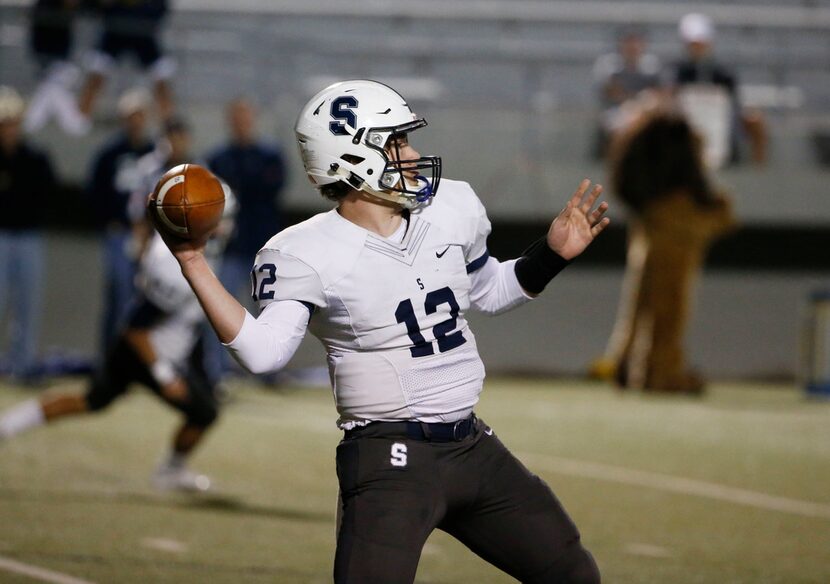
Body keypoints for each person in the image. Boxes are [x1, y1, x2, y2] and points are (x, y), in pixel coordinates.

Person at [152, 79, 608, 583]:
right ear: (352, 158)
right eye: (396, 143)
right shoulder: (303, 251)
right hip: (389, 459)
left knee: (573, 575)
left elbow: (488, 290)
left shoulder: (451, 210)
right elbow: (263, 354)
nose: (413, 154)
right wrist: (192, 260)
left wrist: (551, 255)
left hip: (472, 447)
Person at [0, 192, 236, 491]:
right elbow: (135, 329)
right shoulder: (174, 267)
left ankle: (7, 425)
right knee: (204, 412)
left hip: (164, 349)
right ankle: (169, 472)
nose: (226, 226)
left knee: (91, 401)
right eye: (219, 218)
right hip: (144, 353)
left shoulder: (189, 252)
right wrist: (164, 374)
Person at [606, 103, 736, 395]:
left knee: (639, 300)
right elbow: (722, 214)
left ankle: (626, 364)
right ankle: (661, 372)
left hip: (649, 218)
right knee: (670, 306)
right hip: (675, 225)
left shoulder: (642, 144)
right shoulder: (679, 154)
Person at [204, 97, 287, 380]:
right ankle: (216, 371)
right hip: (230, 248)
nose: (241, 122)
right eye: (236, 116)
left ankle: (270, 373)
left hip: (263, 248)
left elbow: (271, 189)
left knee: (270, 313)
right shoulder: (219, 157)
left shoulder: (269, 155)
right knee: (220, 310)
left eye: (245, 116)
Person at [87, 88, 154, 351]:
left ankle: (141, 359)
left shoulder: (154, 152)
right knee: (119, 295)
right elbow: (95, 192)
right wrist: (110, 220)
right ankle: (111, 356)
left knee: (149, 296)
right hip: (120, 232)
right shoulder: (110, 153)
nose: (136, 121)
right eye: (131, 115)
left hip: (150, 236)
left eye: (140, 115)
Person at [0, 86, 57, 384]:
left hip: (28, 237)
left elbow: (48, 194)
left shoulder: (34, 158)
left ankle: (22, 365)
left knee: (27, 303)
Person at [673, 13, 767, 166]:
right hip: (686, 127)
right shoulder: (677, 72)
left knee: (755, 119)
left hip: (720, 128)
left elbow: (734, 104)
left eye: (701, 43)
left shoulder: (723, 73)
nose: (697, 48)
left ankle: (757, 171)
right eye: (694, 44)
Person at [78, 0, 175, 121]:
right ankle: (81, 119)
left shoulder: (153, 6)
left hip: (143, 35)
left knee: (161, 78)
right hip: (114, 34)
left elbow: (161, 10)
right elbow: (92, 9)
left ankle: (168, 121)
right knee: (96, 74)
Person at [592, 27, 662, 158]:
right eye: (629, 43)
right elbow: (612, 92)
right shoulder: (609, 65)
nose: (633, 47)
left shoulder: (652, 65)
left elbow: (657, 93)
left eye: (636, 43)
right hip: (616, 111)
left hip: (644, 112)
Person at [23, 0, 90, 136]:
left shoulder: (74, 10)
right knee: (53, 87)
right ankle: (75, 122)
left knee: (52, 86)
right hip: (45, 61)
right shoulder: (43, 6)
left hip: (62, 64)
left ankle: (30, 123)